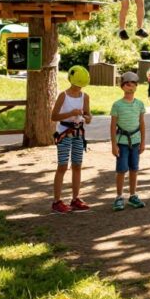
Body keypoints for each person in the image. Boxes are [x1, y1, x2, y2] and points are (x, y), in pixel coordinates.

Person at [49, 66, 92, 214]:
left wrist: (87, 117)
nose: (78, 88)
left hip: (78, 134)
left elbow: (89, 117)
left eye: (80, 85)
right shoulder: (63, 96)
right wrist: (70, 114)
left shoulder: (85, 97)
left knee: (77, 165)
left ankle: (75, 198)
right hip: (64, 133)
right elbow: (54, 117)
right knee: (62, 166)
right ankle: (57, 201)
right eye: (76, 84)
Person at [110, 71, 147, 211]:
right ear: (122, 86)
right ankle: (119, 196)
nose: (129, 86)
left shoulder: (140, 104)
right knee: (121, 169)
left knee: (134, 169)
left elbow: (142, 124)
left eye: (132, 84)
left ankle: (133, 195)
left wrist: (143, 142)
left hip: (136, 141)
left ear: (136, 86)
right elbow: (113, 126)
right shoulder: (117, 105)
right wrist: (114, 145)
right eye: (126, 83)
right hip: (122, 142)